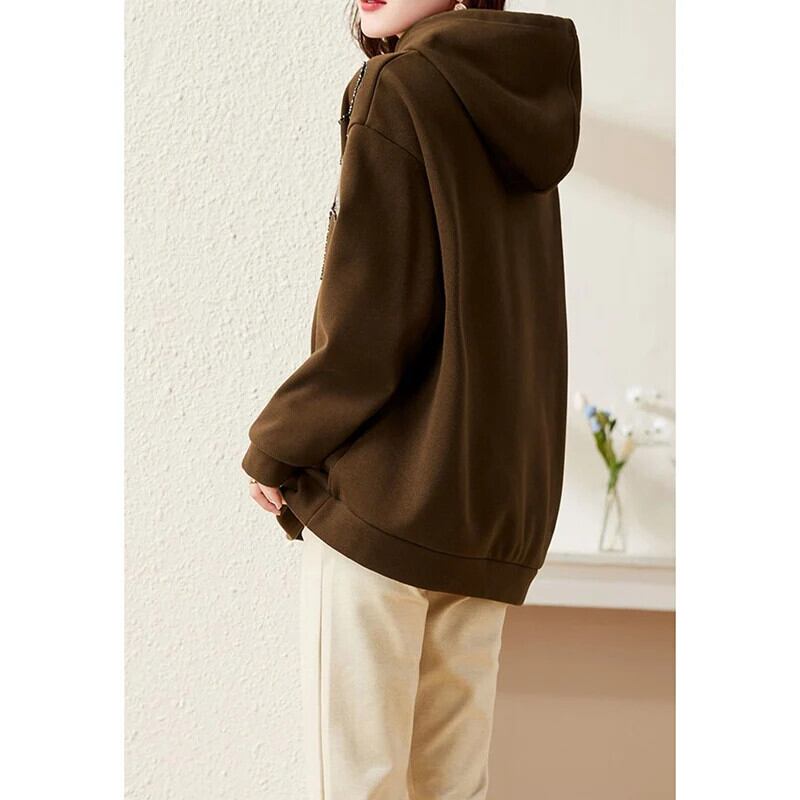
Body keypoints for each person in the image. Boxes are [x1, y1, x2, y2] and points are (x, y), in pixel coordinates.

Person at [243, 1, 581, 797]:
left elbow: (371, 318)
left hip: (387, 503)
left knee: (358, 784)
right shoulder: (524, 97)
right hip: (488, 513)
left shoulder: (399, 86)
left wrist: (277, 444)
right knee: (451, 787)